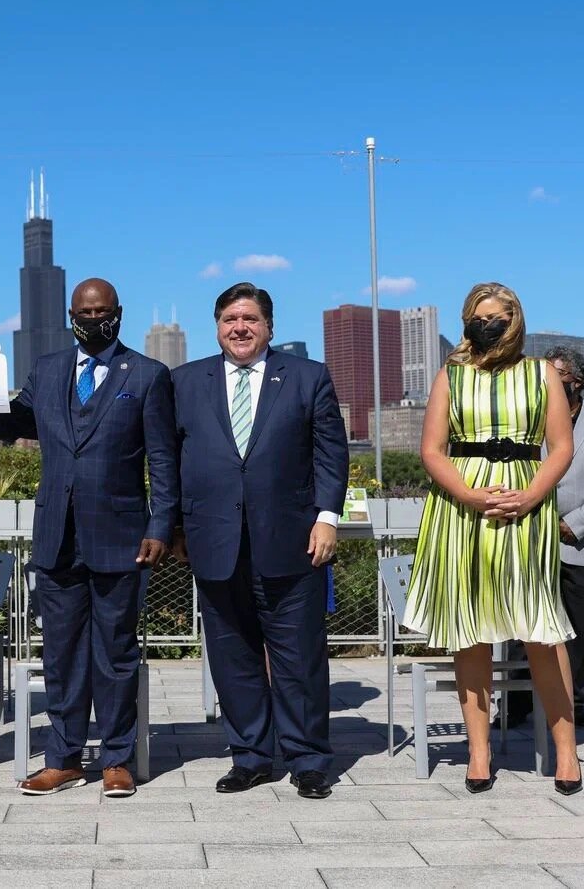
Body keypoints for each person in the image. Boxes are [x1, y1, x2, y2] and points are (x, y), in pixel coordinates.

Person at [0, 277, 178, 798]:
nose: (93, 319)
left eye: (102, 311)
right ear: (70, 315)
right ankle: (63, 758)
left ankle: (117, 759)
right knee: (61, 655)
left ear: (118, 314)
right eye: (84, 312)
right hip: (56, 535)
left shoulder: (148, 375)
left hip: (123, 537)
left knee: (116, 652)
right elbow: (13, 423)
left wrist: (161, 525)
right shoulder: (49, 369)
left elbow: (164, 461)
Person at [401, 282, 582, 795]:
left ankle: (566, 751)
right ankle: (478, 752)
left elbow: (561, 447)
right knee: (470, 632)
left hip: (528, 508)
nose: (488, 324)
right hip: (461, 512)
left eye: (497, 316)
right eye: (479, 316)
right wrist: (472, 496)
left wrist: (528, 498)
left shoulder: (542, 373)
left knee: (541, 632)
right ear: (466, 320)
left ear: (516, 319)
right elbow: (432, 450)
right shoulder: (450, 376)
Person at [170, 282, 348, 801]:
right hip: (214, 542)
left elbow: (330, 454)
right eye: (229, 319)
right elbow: (169, 459)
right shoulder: (185, 381)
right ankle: (250, 757)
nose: (239, 328)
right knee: (233, 657)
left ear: (270, 326)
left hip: (293, 541)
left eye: (249, 318)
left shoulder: (308, 377)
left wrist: (328, 517)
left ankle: (308, 759)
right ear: (217, 326)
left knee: (299, 658)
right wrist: (177, 525)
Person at [502, 346, 584, 729]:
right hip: (529, 537)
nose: (550, 387)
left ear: (578, 383)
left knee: (577, 632)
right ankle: (516, 704)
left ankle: (570, 704)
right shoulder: (528, 420)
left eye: (557, 379)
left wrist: (575, 523)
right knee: (522, 628)